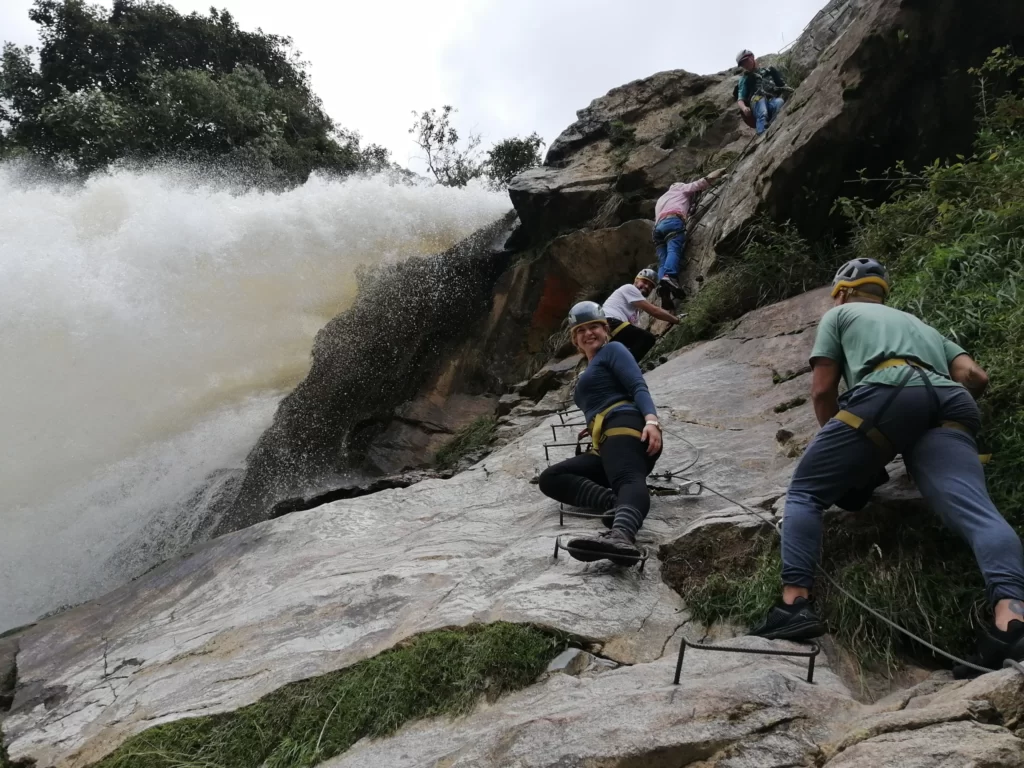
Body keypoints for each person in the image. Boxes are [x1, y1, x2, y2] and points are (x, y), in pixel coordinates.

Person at [751, 258, 1024, 674]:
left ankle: (794, 604)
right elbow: (976, 376)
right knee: (976, 512)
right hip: (952, 401)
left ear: (841, 291)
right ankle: (1012, 620)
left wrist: (844, 453)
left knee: (806, 491)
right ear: (882, 293)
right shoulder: (922, 326)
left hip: (888, 391)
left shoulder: (840, 314)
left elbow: (824, 391)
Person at [539, 301, 663, 565]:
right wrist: (594, 423)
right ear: (575, 340)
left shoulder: (613, 350)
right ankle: (617, 504)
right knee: (551, 478)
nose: (589, 333)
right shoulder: (591, 367)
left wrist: (652, 421)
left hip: (627, 427)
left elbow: (637, 385)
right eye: (581, 330)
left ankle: (621, 535)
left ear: (606, 330)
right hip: (606, 438)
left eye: (594, 326)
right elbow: (603, 397)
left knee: (628, 478)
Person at [653, 168, 726, 310]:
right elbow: (702, 183)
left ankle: (664, 289)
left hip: (657, 229)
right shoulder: (680, 188)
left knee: (663, 260)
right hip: (672, 221)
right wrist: (720, 171)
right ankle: (669, 277)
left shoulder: (662, 199)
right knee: (674, 248)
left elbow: (691, 209)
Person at [602, 269, 680, 363]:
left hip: (610, 327)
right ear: (636, 280)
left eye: (651, 286)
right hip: (610, 322)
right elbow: (654, 311)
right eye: (644, 282)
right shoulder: (629, 288)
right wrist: (677, 320)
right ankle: (627, 368)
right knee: (647, 338)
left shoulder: (635, 312)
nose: (647, 286)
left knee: (632, 346)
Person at [735, 50, 787, 135]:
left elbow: (782, 85)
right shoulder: (744, 79)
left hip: (771, 100)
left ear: (752, 57)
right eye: (743, 64)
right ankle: (762, 132)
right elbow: (740, 98)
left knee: (779, 102)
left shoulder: (768, 71)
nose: (745, 65)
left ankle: (772, 128)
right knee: (761, 102)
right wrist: (744, 108)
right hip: (757, 100)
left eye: (746, 61)